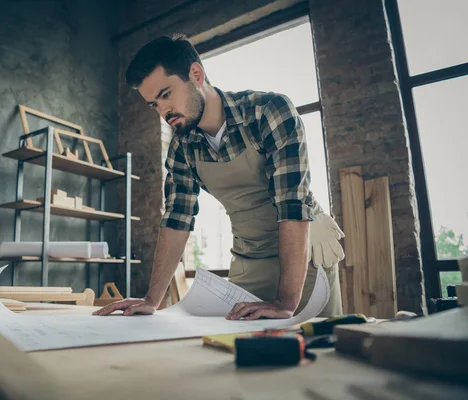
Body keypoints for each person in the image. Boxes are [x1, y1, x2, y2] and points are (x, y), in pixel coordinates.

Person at [94, 33, 344, 320]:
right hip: (250, 256)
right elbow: (177, 219)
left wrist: (286, 302)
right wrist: (152, 299)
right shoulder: (182, 148)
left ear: (196, 74)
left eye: (166, 95)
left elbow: (292, 204)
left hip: (305, 251)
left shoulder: (268, 113)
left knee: (317, 349)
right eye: (154, 104)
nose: (163, 111)